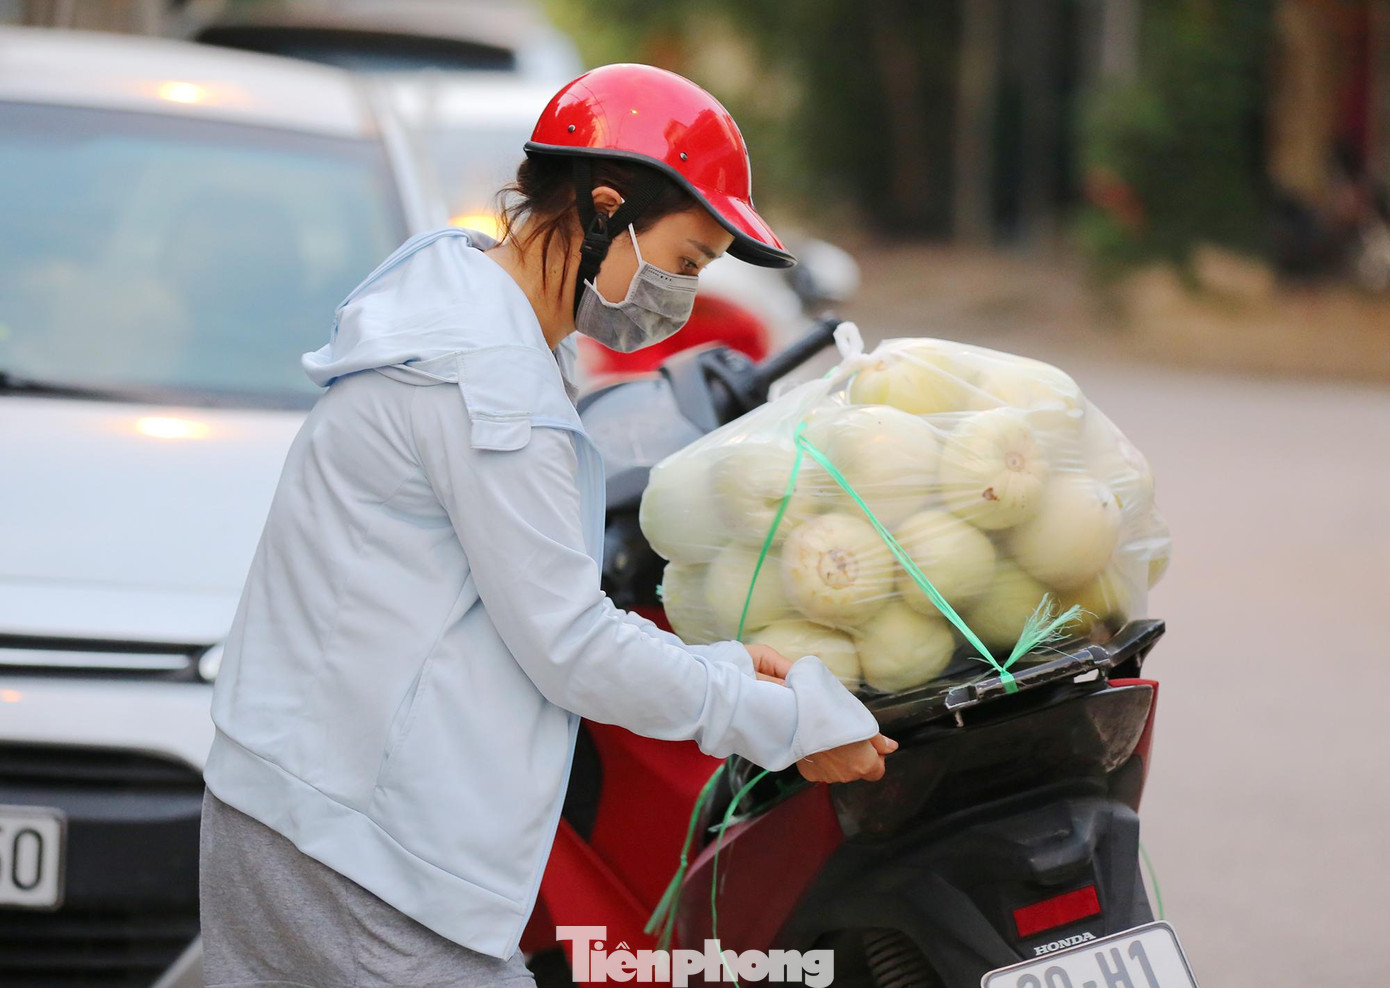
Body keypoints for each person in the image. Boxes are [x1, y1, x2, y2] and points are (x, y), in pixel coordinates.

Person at [198, 63, 895, 988]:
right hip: (357, 854)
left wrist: (728, 667)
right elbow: (571, 647)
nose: (683, 295)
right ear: (606, 207)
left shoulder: (464, 303)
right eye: (686, 261)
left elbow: (506, 608)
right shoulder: (488, 380)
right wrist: (795, 724)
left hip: (303, 802)